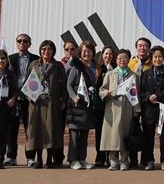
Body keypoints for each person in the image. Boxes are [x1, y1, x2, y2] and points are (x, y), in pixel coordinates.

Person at [26, 40, 68, 169]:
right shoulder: (34, 65)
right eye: (43, 49)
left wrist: (64, 101)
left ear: (53, 51)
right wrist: (30, 98)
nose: (46, 51)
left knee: (51, 130)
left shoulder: (58, 66)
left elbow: (64, 85)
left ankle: (50, 158)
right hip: (37, 103)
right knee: (38, 130)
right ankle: (39, 159)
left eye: (49, 49)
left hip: (52, 103)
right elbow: (27, 84)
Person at [100, 48, 141, 171]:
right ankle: (113, 161)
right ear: (116, 60)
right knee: (112, 136)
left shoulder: (133, 76)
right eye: (119, 58)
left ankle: (124, 161)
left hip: (127, 109)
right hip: (112, 108)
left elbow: (136, 94)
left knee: (125, 135)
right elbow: (101, 89)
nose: (122, 60)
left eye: (125, 58)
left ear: (129, 60)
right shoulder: (109, 74)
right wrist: (104, 93)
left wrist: (136, 110)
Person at [6, 33, 39, 167]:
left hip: (29, 98)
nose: (22, 43)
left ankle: (30, 157)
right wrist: (9, 72)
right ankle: (11, 156)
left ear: (29, 44)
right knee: (11, 128)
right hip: (13, 98)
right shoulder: (9, 60)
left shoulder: (36, 59)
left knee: (29, 128)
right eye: (19, 41)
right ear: (16, 43)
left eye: (25, 41)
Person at [139, 46, 164, 170]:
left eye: (160, 56)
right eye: (155, 56)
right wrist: (149, 97)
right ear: (152, 58)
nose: (157, 59)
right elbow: (142, 91)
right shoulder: (146, 73)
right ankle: (148, 160)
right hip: (149, 109)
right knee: (148, 136)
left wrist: (158, 96)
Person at [66, 41, 98, 170]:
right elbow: (69, 85)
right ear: (80, 52)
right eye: (84, 51)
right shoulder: (76, 67)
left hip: (88, 105)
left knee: (84, 134)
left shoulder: (96, 67)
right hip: (76, 105)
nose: (87, 53)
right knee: (74, 134)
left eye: (89, 51)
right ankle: (73, 160)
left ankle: (82, 159)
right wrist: (74, 96)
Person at [128, 37, 153, 167]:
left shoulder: (153, 63)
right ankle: (132, 160)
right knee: (133, 131)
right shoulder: (131, 63)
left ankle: (146, 159)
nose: (142, 48)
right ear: (136, 48)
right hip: (133, 102)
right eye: (140, 46)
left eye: (145, 46)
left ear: (149, 48)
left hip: (148, 102)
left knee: (148, 132)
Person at [95, 46, 116, 167]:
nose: (108, 56)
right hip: (100, 106)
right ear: (102, 55)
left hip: (113, 105)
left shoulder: (116, 69)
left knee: (111, 132)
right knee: (99, 132)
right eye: (106, 54)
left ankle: (110, 157)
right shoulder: (98, 68)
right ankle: (100, 157)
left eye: (110, 54)